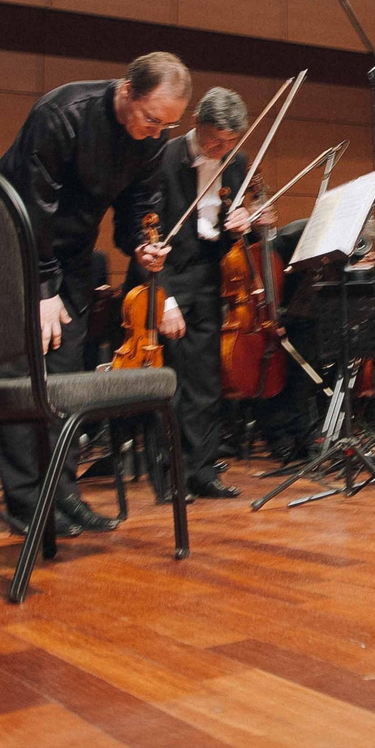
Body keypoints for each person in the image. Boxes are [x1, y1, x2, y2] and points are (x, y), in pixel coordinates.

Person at [0, 52, 192, 535]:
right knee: (21, 381)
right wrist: (43, 288)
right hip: (12, 250)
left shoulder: (150, 139)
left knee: (66, 380)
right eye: (152, 119)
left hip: (72, 259)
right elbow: (34, 206)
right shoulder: (62, 114)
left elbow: (140, 204)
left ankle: (63, 495)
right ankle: (26, 503)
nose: (158, 133)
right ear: (126, 91)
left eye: (168, 125)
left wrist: (143, 244)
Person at [113, 86, 255, 502]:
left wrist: (239, 225)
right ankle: (169, 478)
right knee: (169, 383)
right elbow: (144, 235)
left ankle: (202, 472)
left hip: (209, 278)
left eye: (230, 142)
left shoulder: (237, 163)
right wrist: (165, 298)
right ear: (196, 122)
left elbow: (224, 233)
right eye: (215, 140)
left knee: (206, 382)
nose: (221, 149)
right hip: (165, 278)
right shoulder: (160, 156)